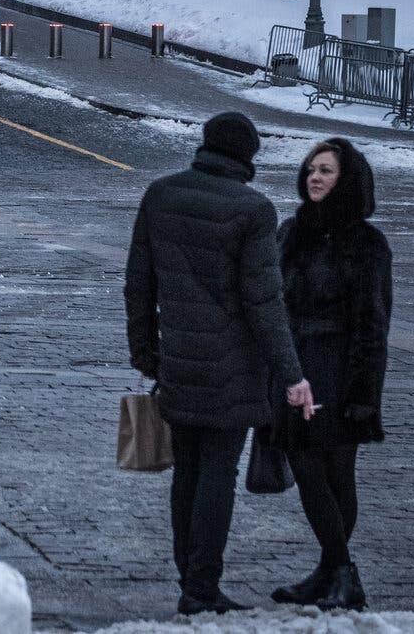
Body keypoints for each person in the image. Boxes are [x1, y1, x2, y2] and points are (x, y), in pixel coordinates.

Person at [125, 112, 312, 617]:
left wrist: (146, 353)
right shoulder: (254, 210)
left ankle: (190, 579)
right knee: (217, 473)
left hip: (178, 362)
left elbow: (138, 281)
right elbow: (264, 303)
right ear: (247, 156)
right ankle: (203, 588)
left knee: (186, 470)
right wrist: (292, 373)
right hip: (235, 368)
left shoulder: (161, 194)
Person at [270, 138, 392, 613]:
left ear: (349, 180)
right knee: (305, 464)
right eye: (311, 170)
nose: (314, 178)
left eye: (326, 171)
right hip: (295, 366)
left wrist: (364, 395)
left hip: (340, 369)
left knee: (336, 471)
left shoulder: (366, 243)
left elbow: (373, 324)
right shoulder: (290, 232)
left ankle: (339, 572)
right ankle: (332, 571)